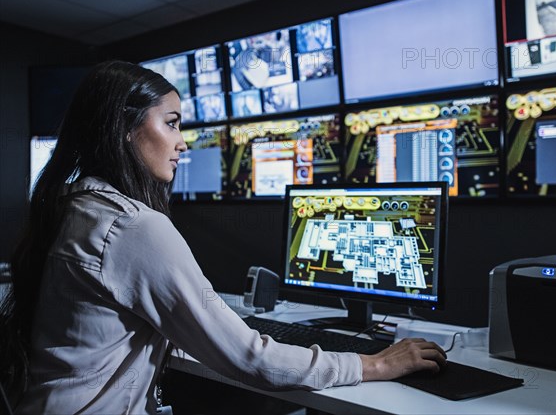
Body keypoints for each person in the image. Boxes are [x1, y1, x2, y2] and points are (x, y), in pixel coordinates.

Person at [0, 60, 447, 414]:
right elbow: (250, 357)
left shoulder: (73, 208)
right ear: (125, 128)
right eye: (172, 123)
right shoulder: (133, 227)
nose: (182, 143)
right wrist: (376, 363)